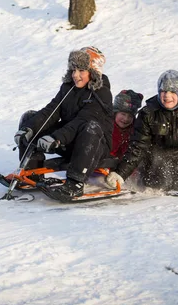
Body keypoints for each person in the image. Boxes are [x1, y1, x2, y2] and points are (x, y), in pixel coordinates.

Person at [13, 46, 114, 200]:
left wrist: (57, 138)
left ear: (93, 72)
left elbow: (84, 120)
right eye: (73, 70)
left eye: (81, 71)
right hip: (70, 139)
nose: (75, 75)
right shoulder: (68, 88)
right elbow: (51, 112)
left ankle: (75, 183)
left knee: (90, 126)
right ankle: (31, 173)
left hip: (93, 146)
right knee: (30, 117)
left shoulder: (102, 92)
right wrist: (28, 128)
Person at [105, 70, 178, 193]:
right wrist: (121, 173)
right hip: (154, 165)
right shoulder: (149, 114)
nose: (167, 95)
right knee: (160, 182)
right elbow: (138, 147)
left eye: (172, 91)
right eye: (163, 91)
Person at [111, 90, 144, 160]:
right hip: (103, 164)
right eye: (123, 114)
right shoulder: (106, 126)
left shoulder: (134, 130)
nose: (126, 119)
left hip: (123, 166)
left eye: (130, 116)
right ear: (115, 113)